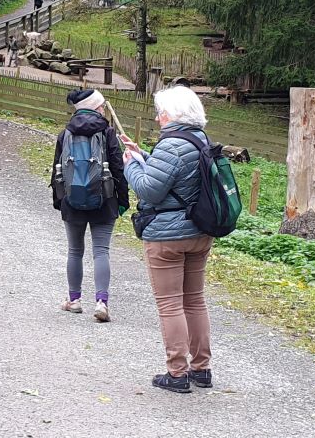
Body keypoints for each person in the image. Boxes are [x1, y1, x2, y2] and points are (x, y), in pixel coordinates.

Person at [122, 85, 214, 394]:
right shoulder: (199, 139)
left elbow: (149, 190)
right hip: (200, 232)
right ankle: (202, 368)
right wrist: (144, 155)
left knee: (170, 305)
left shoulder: (171, 144)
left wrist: (130, 165)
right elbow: (179, 177)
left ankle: (177, 372)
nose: (158, 118)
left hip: (168, 237)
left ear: (169, 114)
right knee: (195, 300)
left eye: (159, 112)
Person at [51, 89, 128, 323]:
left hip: (72, 202)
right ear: (95, 107)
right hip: (104, 201)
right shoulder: (107, 133)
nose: (104, 109)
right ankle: (102, 302)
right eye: (102, 106)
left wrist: (60, 202)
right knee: (101, 251)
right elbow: (118, 169)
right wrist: (122, 201)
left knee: (75, 251)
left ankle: (74, 300)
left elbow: (57, 170)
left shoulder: (66, 133)